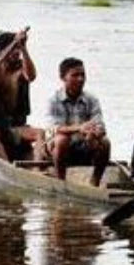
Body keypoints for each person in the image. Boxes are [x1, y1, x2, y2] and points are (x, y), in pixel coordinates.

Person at [0, 29, 46, 161]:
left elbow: (31, 76)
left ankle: (37, 167)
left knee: (40, 133)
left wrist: (24, 48)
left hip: (18, 127)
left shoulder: (22, 68)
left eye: (18, 49)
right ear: (1, 52)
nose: (17, 53)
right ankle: (6, 165)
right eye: (13, 49)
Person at [45, 57, 111, 186]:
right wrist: (80, 128)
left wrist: (95, 133)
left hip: (83, 144)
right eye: (75, 75)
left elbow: (100, 124)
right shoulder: (54, 100)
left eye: (82, 75)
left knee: (105, 142)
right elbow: (55, 128)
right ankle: (60, 182)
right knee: (62, 139)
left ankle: (95, 182)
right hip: (57, 148)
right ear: (63, 77)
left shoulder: (91, 99)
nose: (80, 79)